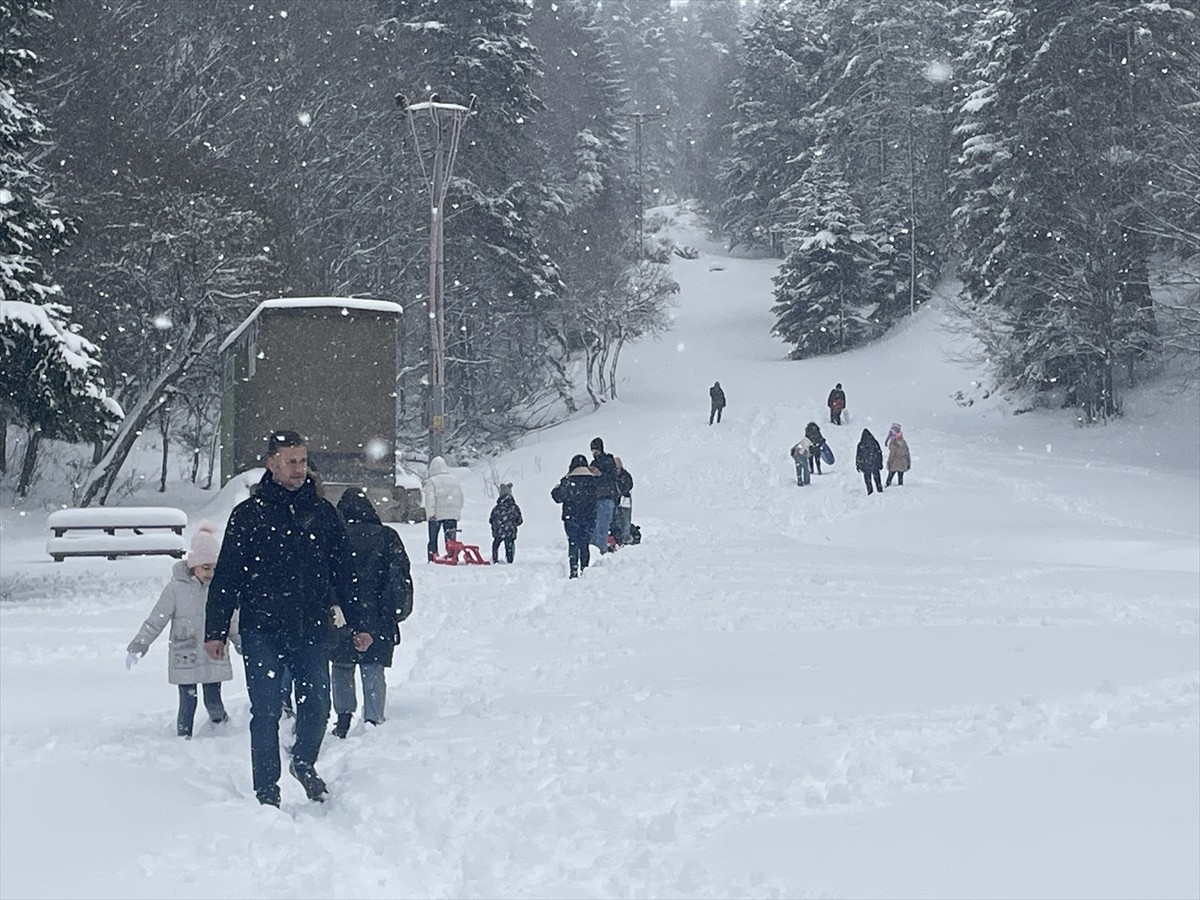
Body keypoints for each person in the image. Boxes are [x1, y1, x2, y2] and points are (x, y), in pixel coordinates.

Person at [204, 430, 374, 807]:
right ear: (272, 464)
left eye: (303, 460)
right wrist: (215, 630)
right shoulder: (248, 516)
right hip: (261, 628)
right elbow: (228, 576)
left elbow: (345, 573)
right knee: (264, 711)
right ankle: (267, 790)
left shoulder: (322, 513)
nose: (300, 469)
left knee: (317, 706)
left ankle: (303, 762)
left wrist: (361, 623)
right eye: (291, 461)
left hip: (311, 627)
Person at [126, 522, 238, 738]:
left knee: (213, 700)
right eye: (205, 567)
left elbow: (232, 620)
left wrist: (242, 642)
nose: (210, 573)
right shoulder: (176, 589)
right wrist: (140, 645)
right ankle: (183, 737)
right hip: (185, 654)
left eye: (215, 567)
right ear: (193, 565)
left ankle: (221, 728)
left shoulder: (221, 589)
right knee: (188, 700)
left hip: (213, 655)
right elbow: (156, 620)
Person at [329, 489, 414, 738]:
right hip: (378, 615)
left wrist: (334, 607)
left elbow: (327, 578)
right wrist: (393, 612)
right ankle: (373, 718)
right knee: (372, 666)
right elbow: (398, 578)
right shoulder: (387, 537)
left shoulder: (335, 537)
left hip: (342, 614)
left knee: (342, 666)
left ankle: (343, 717)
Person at [551, 454, 597, 579]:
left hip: (571, 517)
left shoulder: (567, 481)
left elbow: (557, 497)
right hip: (588, 517)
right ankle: (585, 569)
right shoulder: (593, 480)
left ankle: (574, 570)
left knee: (573, 543)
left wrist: (557, 488)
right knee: (584, 545)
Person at [422, 455, 464, 561]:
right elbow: (460, 497)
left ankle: (433, 555)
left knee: (433, 538)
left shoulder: (432, 481)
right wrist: (456, 510)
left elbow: (430, 499)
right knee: (450, 538)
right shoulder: (454, 481)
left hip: (436, 515)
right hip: (452, 514)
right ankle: (452, 555)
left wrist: (431, 514)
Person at [588, 437, 619, 553]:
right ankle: (595, 549)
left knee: (603, 526)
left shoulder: (608, 461)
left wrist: (600, 474)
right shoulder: (593, 463)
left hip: (607, 498)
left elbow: (612, 477)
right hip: (596, 499)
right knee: (595, 527)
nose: (594, 453)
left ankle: (601, 550)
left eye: (596, 450)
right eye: (592, 451)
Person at [488, 482, 523, 564]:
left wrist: (497, 525)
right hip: (510, 531)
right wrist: (513, 524)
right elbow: (520, 520)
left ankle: (495, 558)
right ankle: (509, 559)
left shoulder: (496, 508)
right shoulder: (514, 507)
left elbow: (491, 519)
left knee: (496, 543)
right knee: (509, 544)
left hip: (498, 531)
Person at [611, 458, 634, 546]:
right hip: (618, 500)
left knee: (625, 519)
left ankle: (625, 538)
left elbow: (628, 486)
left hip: (625, 500)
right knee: (616, 519)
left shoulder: (625, 476)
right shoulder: (614, 477)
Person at [855, 428, 885, 495]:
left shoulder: (860, 444)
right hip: (874, 464)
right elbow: (879, 453)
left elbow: (858, 456)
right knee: (877, 478)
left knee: (867, 479)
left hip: (865, 465)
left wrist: (857, 465)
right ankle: (879, 489)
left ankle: (870, 491)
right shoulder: (874, 442)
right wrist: (880, 463)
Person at [885, 423, 911, 487]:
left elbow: (892, 456)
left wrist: (889, 464)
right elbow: (907, 454)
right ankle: (900, 485)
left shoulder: (894, 444)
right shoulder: (904, 443)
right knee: (900, 476)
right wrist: (908, 463)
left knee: (890, 475)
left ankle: (887, 484)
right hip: (903, 463)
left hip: (895, 463)